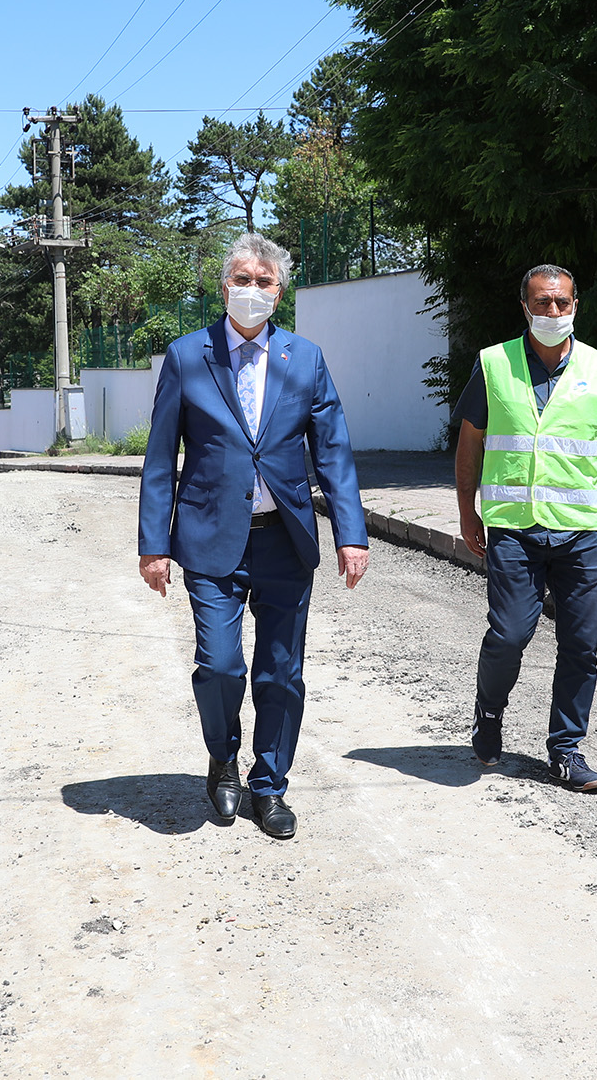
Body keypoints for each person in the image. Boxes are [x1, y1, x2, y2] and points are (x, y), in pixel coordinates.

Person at [137, 233, 370, 840]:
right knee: (219, 665)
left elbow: (334, 452)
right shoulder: (189, 356)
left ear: (280, 291)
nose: (252, 291)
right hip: (210, 537)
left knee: (281, 671)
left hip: (284, 540)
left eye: (264, 282)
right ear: (223, 287)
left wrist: (352, 533)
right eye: (242, 279)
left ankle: (270, 787)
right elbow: (161, 457)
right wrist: (153, 544)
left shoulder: (306, 359)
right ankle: (223, 757)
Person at [452, 264, 597, 792]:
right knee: (510, 633)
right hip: (514, 529)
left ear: (575, 305)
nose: (553, 312)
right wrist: (466, 510)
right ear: (525, 306)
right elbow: (470, 441)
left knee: (581, 645)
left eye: (562, 303)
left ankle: (566, 749)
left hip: (580, 531)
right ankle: (489, 713)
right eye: (543, 302)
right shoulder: (493, 365)